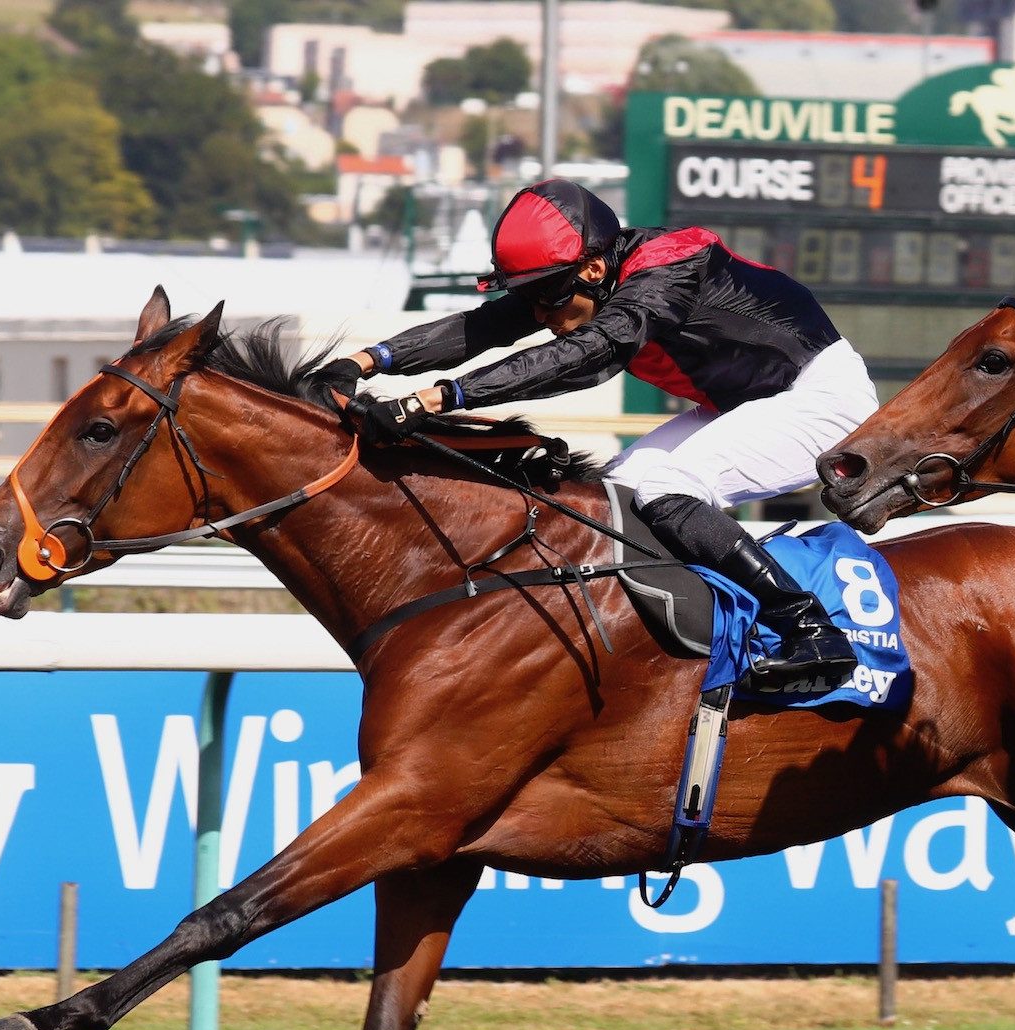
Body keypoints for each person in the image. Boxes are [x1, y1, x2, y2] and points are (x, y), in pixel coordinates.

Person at [317, 178, 878, 690]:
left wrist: (436, 399)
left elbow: (586, 354)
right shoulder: (585, 276)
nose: (542, 315)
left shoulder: (666, 272)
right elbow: (481, 326)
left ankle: (811, 631)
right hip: (746, 402)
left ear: (591, 268)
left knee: (666, 490)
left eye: (548, 298)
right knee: (612, 499)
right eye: (532, 299)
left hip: (821, 397)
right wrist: (366, 361)